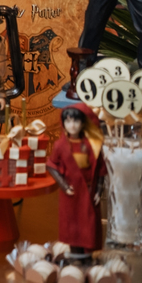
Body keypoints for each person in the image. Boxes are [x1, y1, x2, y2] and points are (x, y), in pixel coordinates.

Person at [45, 103, 105, 256]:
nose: (72, 125)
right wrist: (64, 185)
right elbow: (51, 165)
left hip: (89, 189)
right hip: (71, 192)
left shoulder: (92, 145)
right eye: (68, 121)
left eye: (76, 121)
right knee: (72, 224)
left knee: (88, 223)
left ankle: (88, 254)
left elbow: (100, 169)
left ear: (83, 123)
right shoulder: (60, 146)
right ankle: (75, 253)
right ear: (63, 124)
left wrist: (99, 190)